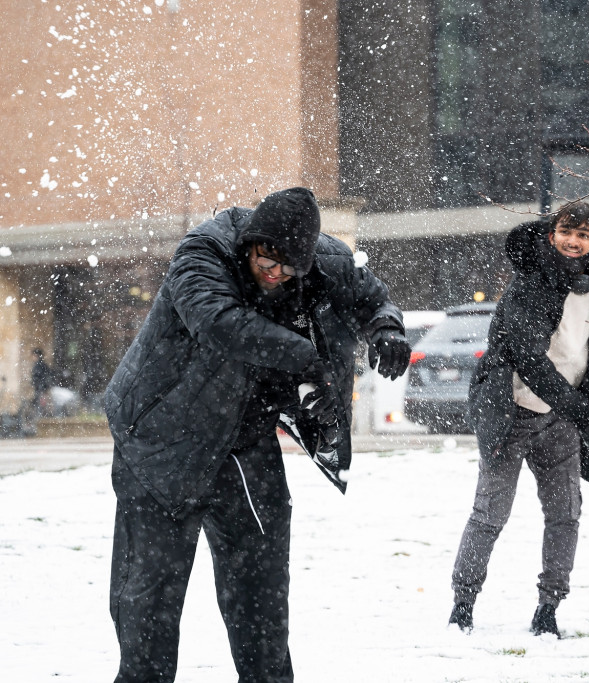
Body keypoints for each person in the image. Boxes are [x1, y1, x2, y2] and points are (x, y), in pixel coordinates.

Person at [103, 186, 411, 682]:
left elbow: (371, 297)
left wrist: (386, 329)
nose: (275, 272)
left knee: (261, 587)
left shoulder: (322, 261)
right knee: (149, 600)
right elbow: (221, 324)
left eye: (289, 266)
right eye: (267, 257)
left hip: (244, 439)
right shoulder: (201, 254)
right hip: (159, 441)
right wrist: (307, 360)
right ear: (251, 240)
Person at [448, 202, 589, 637]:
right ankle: (463, 604)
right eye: (567, 231)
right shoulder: (530, 284)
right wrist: (585, 413)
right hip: (512, 411)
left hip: (561, 419)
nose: (574, 240)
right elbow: (531, 363)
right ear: (552, 235)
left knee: (565, 514)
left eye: (584, 235)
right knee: (491, 514)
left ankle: (548, 608)